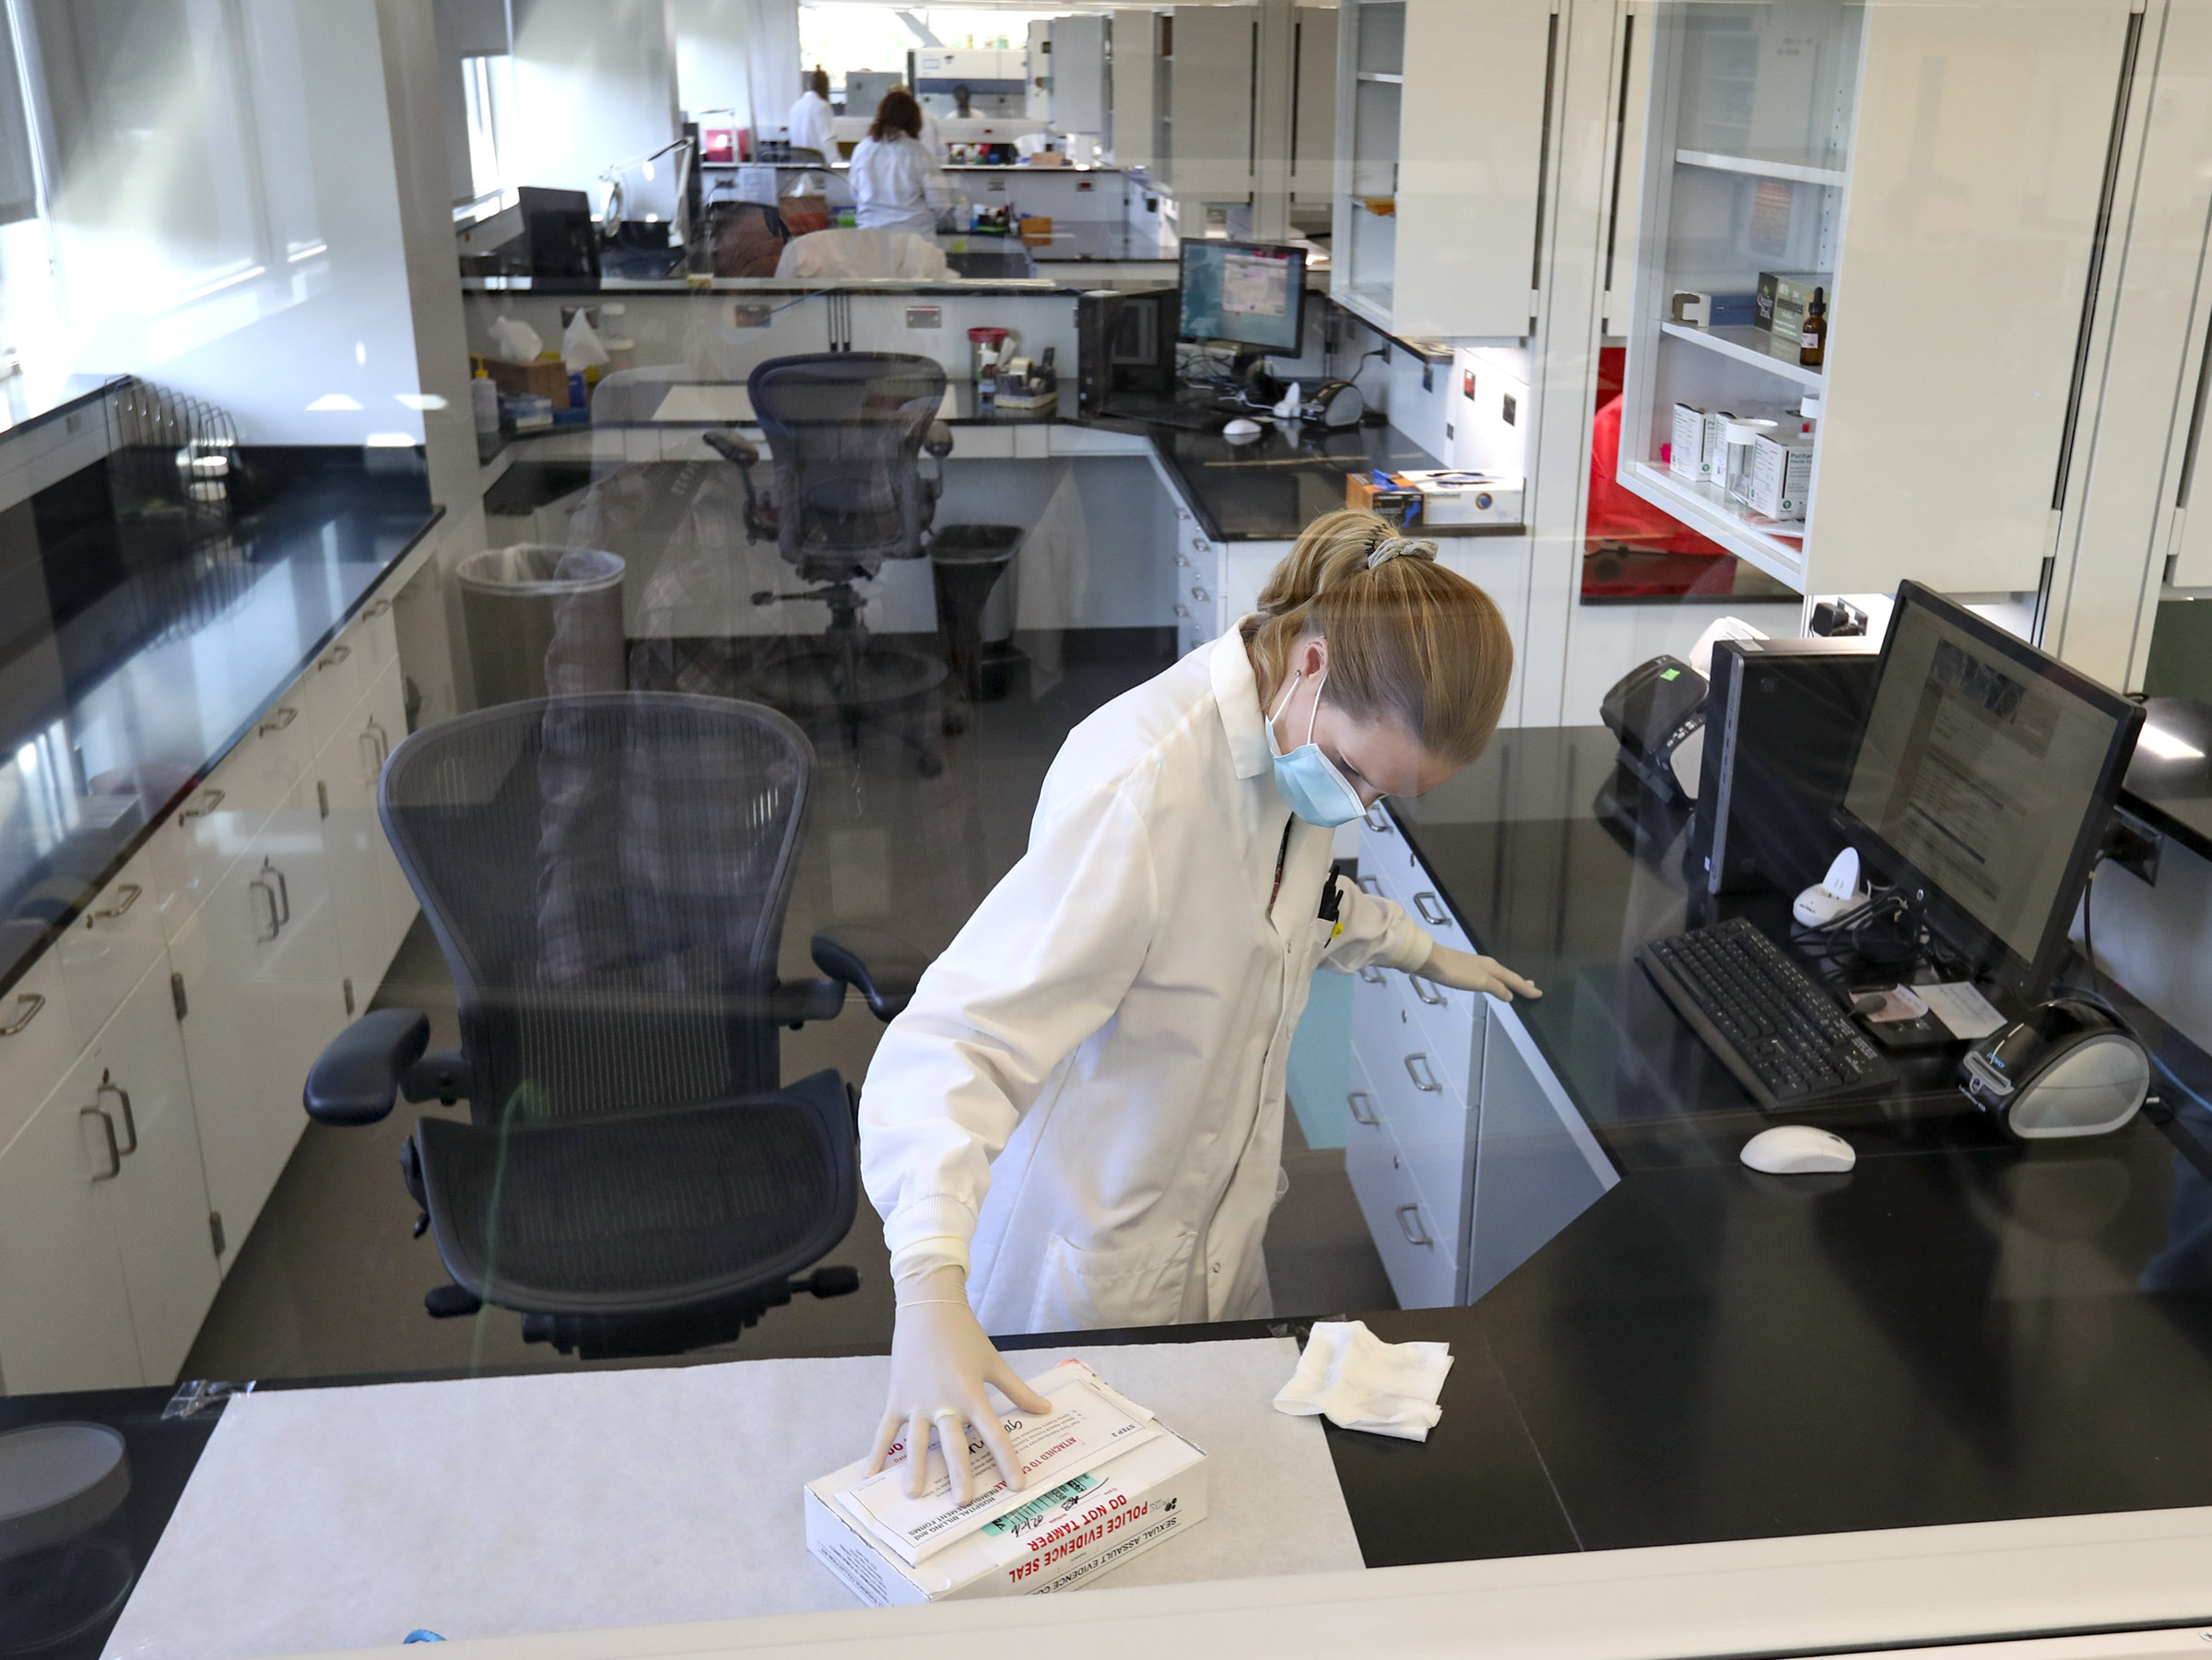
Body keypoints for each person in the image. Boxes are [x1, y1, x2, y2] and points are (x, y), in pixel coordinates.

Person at [858, 510, 1538, 1500]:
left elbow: (1291, 910)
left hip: (1219, 1245)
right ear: (1310, 661)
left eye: (1382, 796)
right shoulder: (1143, 788)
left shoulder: (1298, 761)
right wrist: (927, 1282)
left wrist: (1420, 949)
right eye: (1355, 774)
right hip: (1084, 1273)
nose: (1355, 806)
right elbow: (960, 1040)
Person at [848, 88, 951, 238]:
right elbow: (939, 202)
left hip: (871, 236)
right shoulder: (919, 152)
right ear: (914, 119)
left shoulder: (862, 149)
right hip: (914, 238)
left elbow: (855, 192)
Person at [786, 66, 834, 159]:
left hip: (798, 166)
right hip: (818, 166)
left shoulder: (795, 107)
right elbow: (828, 141)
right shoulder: (822, 107)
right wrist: (837, 163)